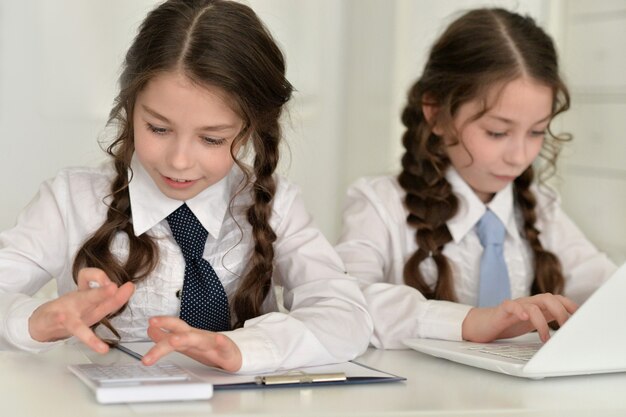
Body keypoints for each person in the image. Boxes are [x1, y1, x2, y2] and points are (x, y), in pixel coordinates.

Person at [0, 0, 372, 374]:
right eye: (158, 129)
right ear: (130, 108)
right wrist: (34, 321)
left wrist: (243, 348)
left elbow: (346, 316)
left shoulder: (279, 206)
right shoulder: (70, 201)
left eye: (211, 139)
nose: (179, 161)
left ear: (250, 130)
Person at [335, 8, 616, 349]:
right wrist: (468, 322)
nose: (520, 156)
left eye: (537, 131)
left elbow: (608, 289)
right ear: (437, 114)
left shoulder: (542, 210)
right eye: (497, 132)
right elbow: (343, 302)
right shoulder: (379, 204)